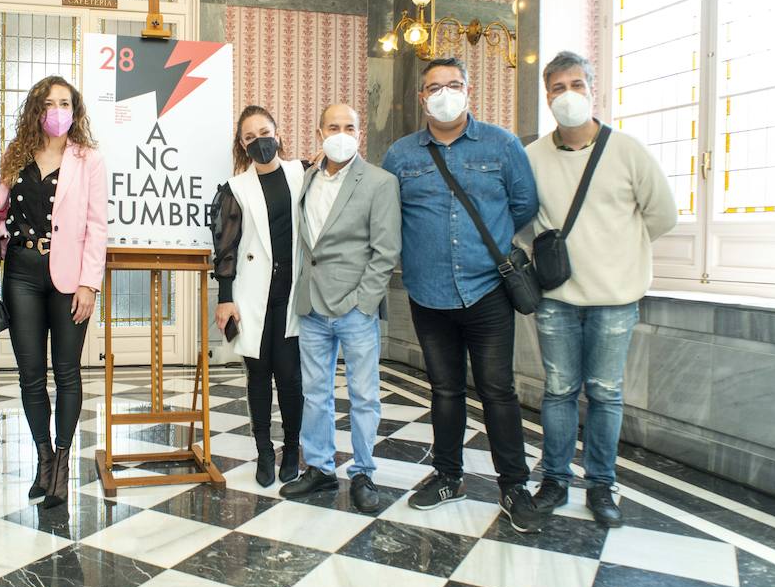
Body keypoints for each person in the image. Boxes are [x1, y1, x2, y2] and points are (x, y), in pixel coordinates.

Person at [381, 56, 542, 533]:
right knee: (445, 391)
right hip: (428, 295)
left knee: (498, 391)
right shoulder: (401, 155)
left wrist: (482, 244)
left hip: (488, 290)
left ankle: (514, 486)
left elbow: (524, 203)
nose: (444, 93)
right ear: (421, 97)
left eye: (453, 84)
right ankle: (448, 476)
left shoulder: (502, 144)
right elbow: (389, 216)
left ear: (469, 89)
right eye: (434, 87)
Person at [525, 51, 677, 526]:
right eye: (557, 88)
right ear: (546, 96)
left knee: (607, 393)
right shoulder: (531, 156)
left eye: (576, 85)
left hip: (615, 299)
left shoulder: (627, 150)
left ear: (593, 90)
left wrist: (619, 253)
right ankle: (553, 479)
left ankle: (601, 485)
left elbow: (662, 215)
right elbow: (520, 217)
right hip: (557, 297)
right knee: (559, 391)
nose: (567, 95)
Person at [278, 104, 400, 514]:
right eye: (334, 126)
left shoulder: (380, 183)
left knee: (364, 395)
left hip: (355, 309)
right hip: (312, 306)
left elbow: (385, 252)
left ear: (359, 133)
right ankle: (319, 467)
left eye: (350, 126)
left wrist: (364, 302)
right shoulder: (307, 179)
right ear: (319, 132)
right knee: (316, 394)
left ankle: (364, 471)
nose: (342, 133)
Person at [0, 76, 107, 509]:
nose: (57, 109)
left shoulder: (87, 159)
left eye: (65, 102)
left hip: (68, 278)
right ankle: (42, 457)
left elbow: (97, 225)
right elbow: (0, 212)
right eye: (49, 102)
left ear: (74, 110)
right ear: (36, 110)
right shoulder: (15, 155)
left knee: (67, 372)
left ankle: (62, 462)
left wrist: (89, 284)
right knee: (29, 374)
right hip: (21, 271)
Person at [210, 106, 306, 486]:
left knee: (291, 378)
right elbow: (226, 249)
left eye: (264, 132)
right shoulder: (235, 188)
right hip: (252, 296)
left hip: (293, 294)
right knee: (258, 376)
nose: (259, 141)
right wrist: (225, 297)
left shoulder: (302, 174)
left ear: (278, 133)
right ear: (242, 145)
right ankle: (265, 452)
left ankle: (292, 449)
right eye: (250, 137)